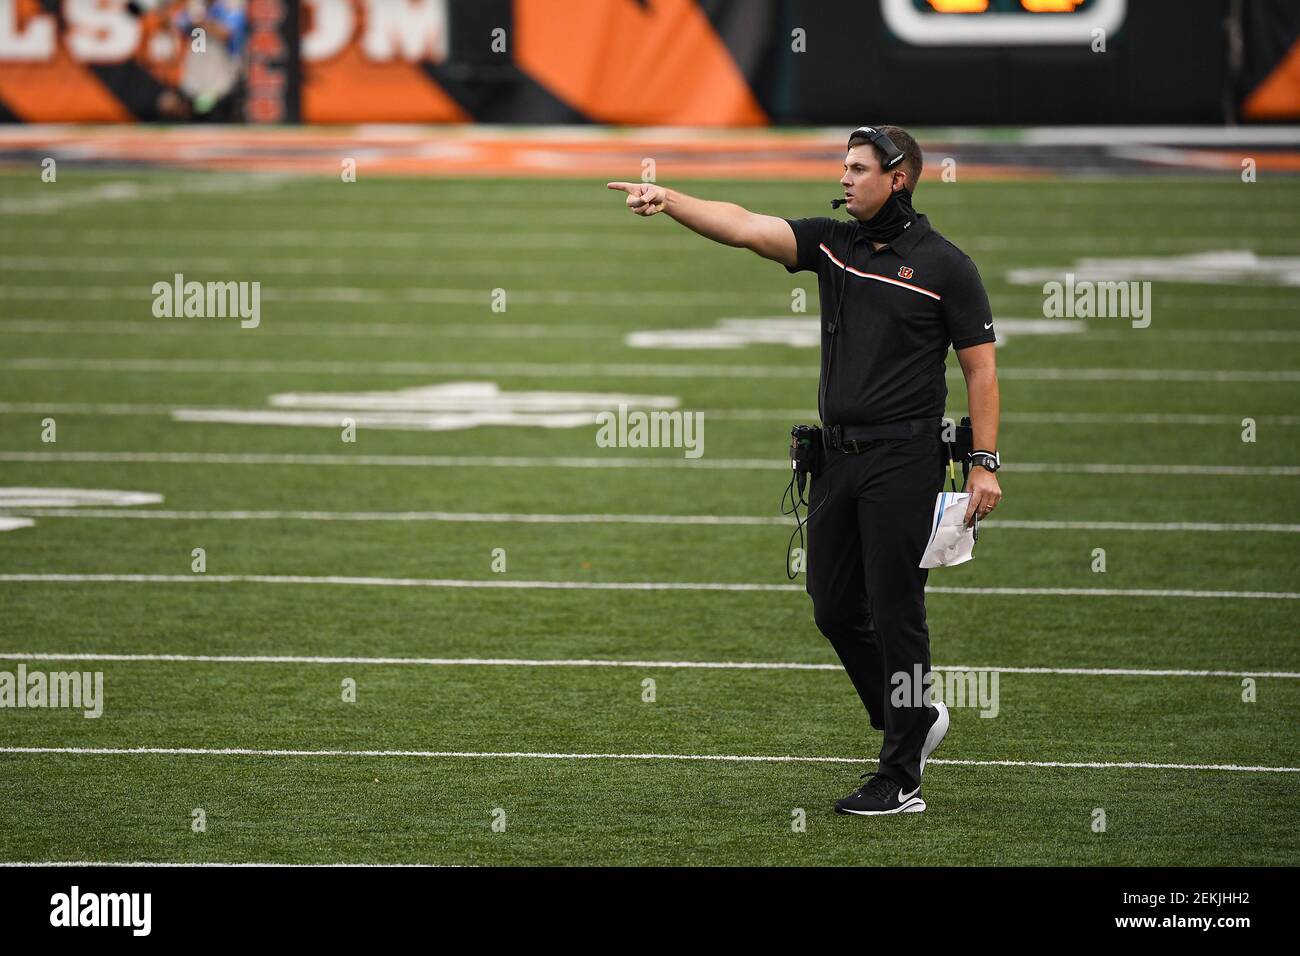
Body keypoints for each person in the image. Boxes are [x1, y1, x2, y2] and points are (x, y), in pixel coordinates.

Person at [607, 125, 1003, 816]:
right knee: (831, 604)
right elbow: (744, 226)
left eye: (859, 168)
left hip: (905, 460)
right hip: (837, 456)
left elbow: (980, 367)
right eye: (843, 167)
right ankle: (911, 714)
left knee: (897, 610)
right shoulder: (834, 242)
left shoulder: (946, 266)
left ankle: (901, 777)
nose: (845, 178)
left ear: (899, 178)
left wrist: (983, 464)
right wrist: (670, 199)